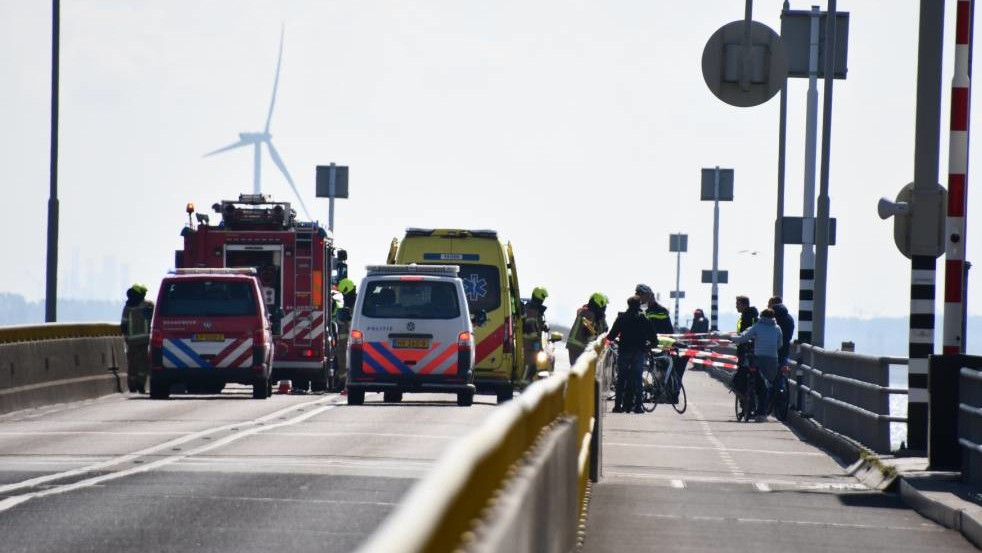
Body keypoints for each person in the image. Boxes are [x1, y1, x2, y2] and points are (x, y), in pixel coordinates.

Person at [606, 295, 656, 413]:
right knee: (638, 379)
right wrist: (646, 347)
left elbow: (611, 335)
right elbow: (654, 339)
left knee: (621, 379)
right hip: (639, 352)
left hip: (624, 351)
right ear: (639, 305)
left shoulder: (622, 318)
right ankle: (638, 406)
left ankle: (618, 406)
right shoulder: (644, 319)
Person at [730, 308, 782, 422]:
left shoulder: (757, 326)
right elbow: (780, 344)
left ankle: (749, 403)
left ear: (761, 316)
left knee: (755, 380)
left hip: (758, 358)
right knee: (767, 385)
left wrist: (732, 339)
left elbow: (744, 338)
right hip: (773, 359)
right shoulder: (777, 328)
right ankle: (762, 413)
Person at [120, 283, 154, 394]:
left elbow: (124, 324)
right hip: (144, 340)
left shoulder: (127, 307)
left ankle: (132, 385)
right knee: (142, 365)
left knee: (132, 364)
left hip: (131, 340)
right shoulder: (147, 305)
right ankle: (141, 385)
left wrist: (126, 337)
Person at [566, 292, 609, 365]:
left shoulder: (592, 313)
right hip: (578, 346)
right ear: (599, 303)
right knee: (579, 372)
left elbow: (604, 329)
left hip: (577, 346)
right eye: (604, 306)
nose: (604, 308)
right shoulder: (589, 313)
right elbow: (590, 332)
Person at [522, 286, 549, 381]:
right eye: (543, 297)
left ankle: (527, 382)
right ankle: (524, 383)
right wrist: (536, 344)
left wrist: (543, 327)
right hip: (530, 343)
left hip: (534, 343)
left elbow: (536, 324)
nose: (543, 300)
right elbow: (530, 325)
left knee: (533, 365)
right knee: (530, 365)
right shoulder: (532, 309)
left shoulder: (535, 309)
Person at [767, 296, 795, 367]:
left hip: (770, 351)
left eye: (769, 304)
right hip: (784, 350)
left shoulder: (771, 318)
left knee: (768, 374)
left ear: (773, 305)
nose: (767, 306)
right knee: (781, 372)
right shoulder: (789, 318)